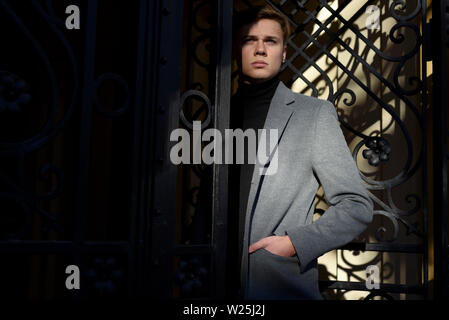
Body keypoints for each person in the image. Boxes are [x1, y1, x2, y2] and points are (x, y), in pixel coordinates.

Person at [226, 5, 374, 300]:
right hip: (211, 283)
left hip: (277, 284)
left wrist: (293, 243)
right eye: (248, 40)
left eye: (270, 41)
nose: (259, 49)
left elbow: (356, 205)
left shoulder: (313, 114)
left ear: (283, 53)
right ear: (234, 50)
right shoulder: (217, 115)